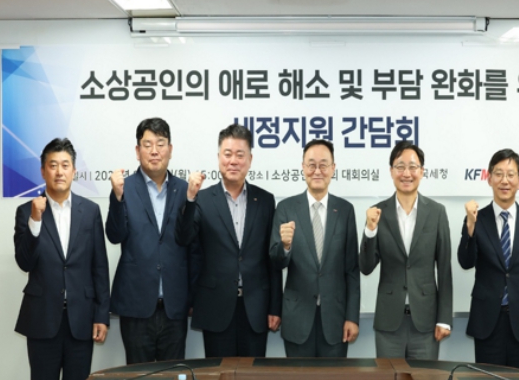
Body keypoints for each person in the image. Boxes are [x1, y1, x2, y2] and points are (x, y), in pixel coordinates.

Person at [14, 138, 110, 380]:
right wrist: (35, 221)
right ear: (43, 171)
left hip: (81, 320)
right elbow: (24, 262)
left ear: (74, 171)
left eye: (65, 165)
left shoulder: (90, 211)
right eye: (53, 165)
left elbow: (99, 266)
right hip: (42, 319)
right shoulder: (26, 211)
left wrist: (101, 315)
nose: (59, 171)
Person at [176, 124, 281, 357]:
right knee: (219, 376)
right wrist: (190, 198)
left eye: (240, 155)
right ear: (218, 158)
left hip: (255, 307)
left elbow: (271, 259)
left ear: (250, 160)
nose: (233, 161)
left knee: (252, 375)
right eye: (228, 154)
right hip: (215, 306)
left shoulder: (265, 200)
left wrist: (275, 307)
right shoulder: (202, 199)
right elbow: (183, 238)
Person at [106, 117, 199, 364]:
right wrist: (116, 197)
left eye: (160, 144)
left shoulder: (184, 189)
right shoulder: (124, 187)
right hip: (136, 306)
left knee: (173, 377)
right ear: (138, 151)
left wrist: (191, 200)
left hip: (174, 307)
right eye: (147, 145)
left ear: (170, 149)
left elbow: (188, 240)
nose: (154, 151)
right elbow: (114, 235)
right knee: (138, 379)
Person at [457, 148, 519, 371]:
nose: (504, 181)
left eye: (510, 174)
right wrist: (470, 226)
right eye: (498, 174)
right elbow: (466, 262)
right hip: (487, 321)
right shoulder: (477, 219)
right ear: (489, 178)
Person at [359, 140, 453, 359]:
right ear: (391, 171)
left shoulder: (437, 212)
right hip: (389, 321)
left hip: (426, 322)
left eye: (413, 167)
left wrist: (444, 319)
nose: (406, 173)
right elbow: (365, 267)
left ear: (422, 171)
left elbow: (444, 269)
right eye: (400, 167)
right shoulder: (377, 213)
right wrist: (370, 230)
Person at [270, 139, 360, 357]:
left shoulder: (345, 210)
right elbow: (275, 262)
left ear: (333, 168)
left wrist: (352, 317)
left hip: (336, 320)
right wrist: (285, 246)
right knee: (298, 378)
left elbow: (352, 270)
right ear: (303, 168)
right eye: (311, 165)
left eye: (323, 165)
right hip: (297, 318)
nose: (317, 171)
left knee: (333, 378)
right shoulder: (286, 208)